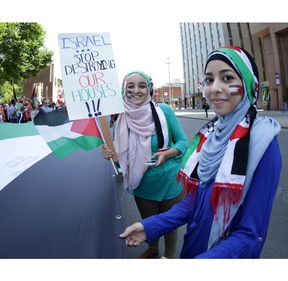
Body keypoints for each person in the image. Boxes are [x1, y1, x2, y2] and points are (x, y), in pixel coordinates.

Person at [119, 46, 282, 258]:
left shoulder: (263, 143)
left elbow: (250, 236)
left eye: (227, 77)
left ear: (249, 84)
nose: (214, 88)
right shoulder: (210, 135)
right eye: (208, 79)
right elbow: (194, 203)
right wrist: (150, 227)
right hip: (192, 248)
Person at [102, 71, 188, 258]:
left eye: (142, 85)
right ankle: (153, 248)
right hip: (141, 183)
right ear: (124, 90)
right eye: (130, 86)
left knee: (168, 222)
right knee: (148, 221)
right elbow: (119, 161)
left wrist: (167, 153)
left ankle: (170, 255)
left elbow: (183, 142)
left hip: (169, 180)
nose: (136, 90)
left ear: (149, 88)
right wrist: (109, 154)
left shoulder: (164, 111)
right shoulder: (121, 120)